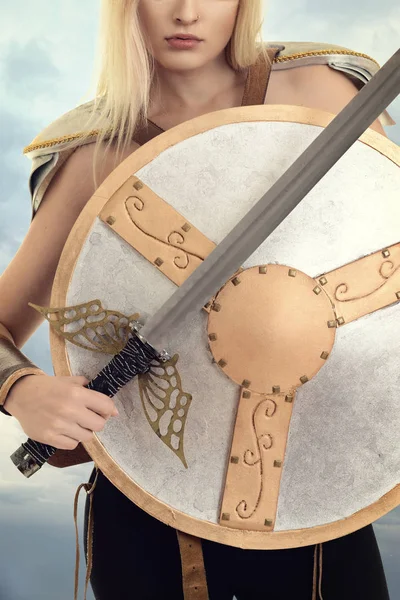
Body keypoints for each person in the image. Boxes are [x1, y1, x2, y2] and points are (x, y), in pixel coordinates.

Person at [0, 1, 395, 599]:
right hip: (143, 505)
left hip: (309, 482)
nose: (186, 11)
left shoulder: (322, 91)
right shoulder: (94, 153)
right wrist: (20, 389)